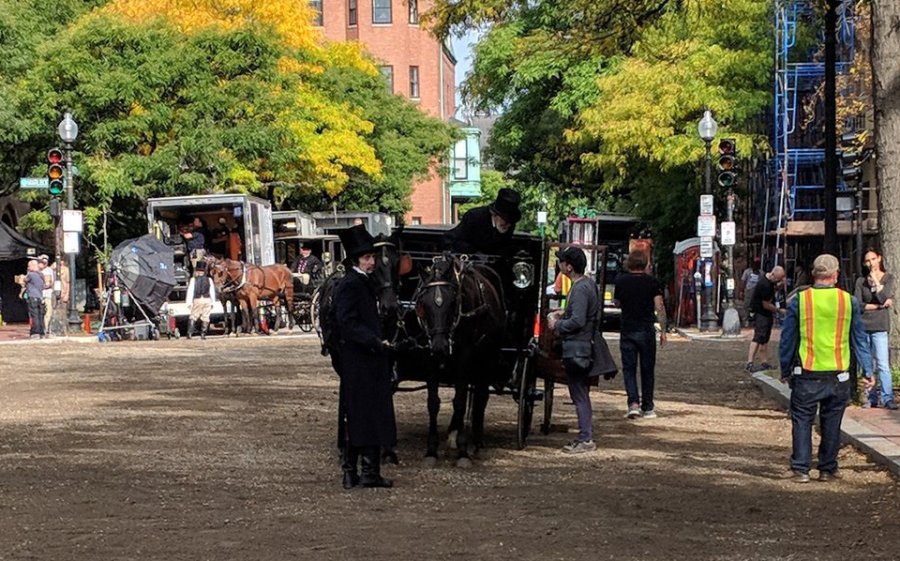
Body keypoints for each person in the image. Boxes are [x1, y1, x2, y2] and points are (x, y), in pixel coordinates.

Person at [779, 253, 874, 483]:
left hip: (808, 372)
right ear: (836, 275)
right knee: (832, 422)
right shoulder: (847, 301)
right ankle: (827, 468)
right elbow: (859, 339)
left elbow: (788, 339)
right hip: (838, 374)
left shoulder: (800, 300)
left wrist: (784, 368)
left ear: (813, 274)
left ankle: (801, 468)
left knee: (802, 419)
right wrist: (868, 370)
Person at [332, 224, 396, 489]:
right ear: (356, 261)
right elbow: (346, 322)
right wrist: (373, 340)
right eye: (367, 258)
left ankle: (368, 472)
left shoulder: (364, 282)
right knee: (357, 414)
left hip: (369, 359)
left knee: (370, 414)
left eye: (372, 257)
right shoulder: (350, 284)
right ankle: (352, 470)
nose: (372, 262)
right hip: (359, 358)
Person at [547, 247, 599, 454]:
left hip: (577, 346)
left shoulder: (579, 288)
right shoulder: (587, 285)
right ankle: (585, 435)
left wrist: (557, 325)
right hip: (583, 345)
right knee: (580, 393)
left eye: (562, 262)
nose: (559, 266)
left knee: (578, 393)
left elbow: (578, 320)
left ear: (569, 266)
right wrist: (564, 311)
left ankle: (586, 438)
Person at [614, 250, 666, 419]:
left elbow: (617, 302)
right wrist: (663, 331)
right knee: (647, 368)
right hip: (646, 329)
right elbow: (659, 307)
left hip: (628, 328)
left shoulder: (621, 281)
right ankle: (648, 406)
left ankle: (633, 403)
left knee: (629, 368)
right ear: (645, 264)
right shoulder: (652, 282)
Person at [854, 248, 896, 409]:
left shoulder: (888, 278)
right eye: (867, 261)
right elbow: (858, 304)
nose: (870, 263)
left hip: (880, 326)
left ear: (879, 259)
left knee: (883, 363)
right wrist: (878, 306)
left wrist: (876, 283)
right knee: (867, 363)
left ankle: (887, 397)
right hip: (864, 325)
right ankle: (870, 397)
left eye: (873, 259)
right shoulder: (860, 281)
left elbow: (884, 296)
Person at [444, 188, 522, 256]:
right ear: (495, 214)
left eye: (511, 221)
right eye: (506, 220)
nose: (508, 225)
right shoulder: (474, 217)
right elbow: (453, 240)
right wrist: (474, 252)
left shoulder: (509, 225)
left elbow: (503, 246)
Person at [745, 265, 786, 372]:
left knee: (764, 339)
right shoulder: (765, 285)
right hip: (761, 313)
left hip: (765, 313)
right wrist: (778, 310)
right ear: (773, 275)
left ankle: (764, 361)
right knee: (758, 337)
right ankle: (750, 362)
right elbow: (766, 304)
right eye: (778, 279)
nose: (778, 281)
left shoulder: (768, 281)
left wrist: (779, 285)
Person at [185, 260, 215, 340]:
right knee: (206, 317)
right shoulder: (209, 280)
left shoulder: (193, 280)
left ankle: (189, 333)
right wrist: (213, 302)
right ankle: (203, 334)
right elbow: (212, 292)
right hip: (207, 299)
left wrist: (188, 302)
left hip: (197, 299)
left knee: (193, 316)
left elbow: (190, 291)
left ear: (197, 271)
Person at [24, 260, 45, 339]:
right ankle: (42, 332)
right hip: (40, 296)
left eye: (29, 266)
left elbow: (24, 280)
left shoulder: (31, 274)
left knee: (34, 315)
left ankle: (35, 332)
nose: (28, 268)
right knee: (40, 315)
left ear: (33, 266)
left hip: (32, 297)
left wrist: (26, 274)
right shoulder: (41, 275)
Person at [739, 257, 762, 327]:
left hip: (758, 292)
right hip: (749, 291)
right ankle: (745, 321)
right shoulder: (747, 272)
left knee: (757, 307)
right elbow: (743, 281)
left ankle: (755, 320)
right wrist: (741, 291)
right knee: (746, 306)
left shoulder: (761, 273)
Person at [38, 255, 55, 335]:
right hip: (39, 294)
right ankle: (40, 328)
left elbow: (52, 281)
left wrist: (49, 285)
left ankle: (47, 327)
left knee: (48, 311)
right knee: (39, 312)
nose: (44, 263)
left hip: (48, 294)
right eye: (42, 262)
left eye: (45, 262)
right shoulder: (36, 270)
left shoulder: (49, 270)